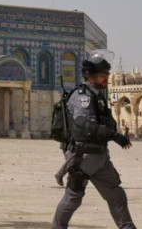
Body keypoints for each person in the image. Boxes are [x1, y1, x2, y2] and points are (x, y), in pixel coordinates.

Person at [51, 49, 136, 229]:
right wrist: (114, 136)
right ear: (91, 76)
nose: (107, 77)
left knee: (116, 195)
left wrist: (112, 135)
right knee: (73, 198)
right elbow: (85, 124)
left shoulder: (98, 97)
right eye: (103, 74)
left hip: (100, 157)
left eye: (107, 74)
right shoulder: (82, 96)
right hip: (84, 157)